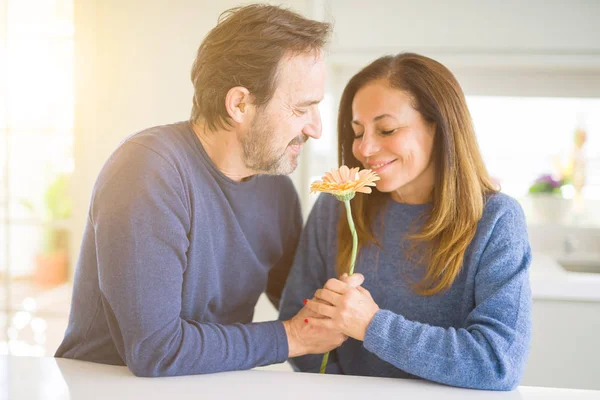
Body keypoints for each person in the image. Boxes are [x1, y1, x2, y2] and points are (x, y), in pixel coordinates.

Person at [56, 4, 362, 377]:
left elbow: (298, 301)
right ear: (239, 104)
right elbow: (156, 351)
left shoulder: (276, 189)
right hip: (107, 387)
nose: (315, 128)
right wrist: (292, 338)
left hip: (210, 384)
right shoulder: (147, 170)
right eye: (302, 109)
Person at [279, 53, 532, 391]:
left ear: (439, 126)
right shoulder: (338, 205)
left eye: (387, 129)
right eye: (357, 132)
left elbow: (499, 362)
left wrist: (371, 325)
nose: (365, 148)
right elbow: (298, 322)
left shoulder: (497, 220)